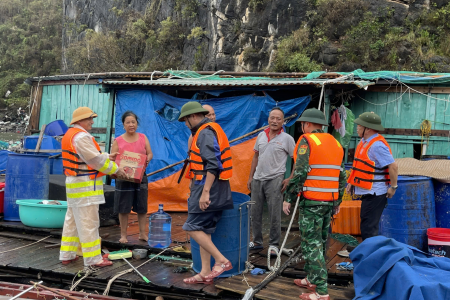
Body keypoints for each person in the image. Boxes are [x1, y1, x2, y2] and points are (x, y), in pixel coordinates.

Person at [283, 108, 346, 300]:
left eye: (302, 124)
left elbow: (300, 172)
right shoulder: (335, 143)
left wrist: (289, 197)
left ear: (306, 124)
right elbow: (341, 176)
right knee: (317, 241)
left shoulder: (306, 140)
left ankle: (321, 291)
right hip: (329, 201)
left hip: (312, 202)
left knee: (312, 244)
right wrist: (338, 200)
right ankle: (311, 278)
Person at [60, 107, 127, 267]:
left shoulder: (71, 135)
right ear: (80, 120)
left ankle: (67, 254)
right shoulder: (82, 137)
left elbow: (88, 157)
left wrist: (105, 156)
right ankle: (93, 259)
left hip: (75, 186)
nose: (92, 121)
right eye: (89, 118)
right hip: (85, 188)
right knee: (88, 222)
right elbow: (95, 161)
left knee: (72, 221)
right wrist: (116, 169)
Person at [178, 101, 234, 284]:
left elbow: (213, 165)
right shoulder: (204, 131)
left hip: (209, 187)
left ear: (193, 116)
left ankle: (221, 260)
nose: (186, 125)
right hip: (212, 187)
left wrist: (205, 193)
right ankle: (204, 272)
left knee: (191, 227)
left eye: (186, 121)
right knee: (204, 230)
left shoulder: (205, 133)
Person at [247, 107, 295, 256]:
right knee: (255, 212)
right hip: (257, 179)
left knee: (275, 213)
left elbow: (297, 159)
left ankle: (274, 244)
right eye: (272, 118)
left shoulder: (287, 139)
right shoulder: (261, 135)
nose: (274, 121)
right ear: (268, 119)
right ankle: (257, 241)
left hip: (275, 179)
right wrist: (250, 177)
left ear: (283, 121)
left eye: (278, 118)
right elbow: (256, 157)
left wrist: (290, 178)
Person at [346, 112, 398, 241]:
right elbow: (360, 167)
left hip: (376, 193)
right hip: (368, 192)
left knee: (369, 228)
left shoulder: (377, 145)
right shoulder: (364, 142)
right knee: (366, 224)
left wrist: (393, 187)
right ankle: (368, 253)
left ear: (367, 129)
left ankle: (371, 257)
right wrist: (352, 182)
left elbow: (393, 166)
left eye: (359, 125)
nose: (357, 127)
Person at [111, 111, 153, 244]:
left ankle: (142, 234)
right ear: (123, 125)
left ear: (137, 124)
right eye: (128, 122)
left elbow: (150, 153)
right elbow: (112, 160)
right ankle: (123, 235)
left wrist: (147, 160)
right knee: (123, 207)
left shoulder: (143, 137)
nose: (131, 125)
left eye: (133, 122)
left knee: (142, 206)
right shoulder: (118, 140)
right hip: (123, 177)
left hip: (140, 177)